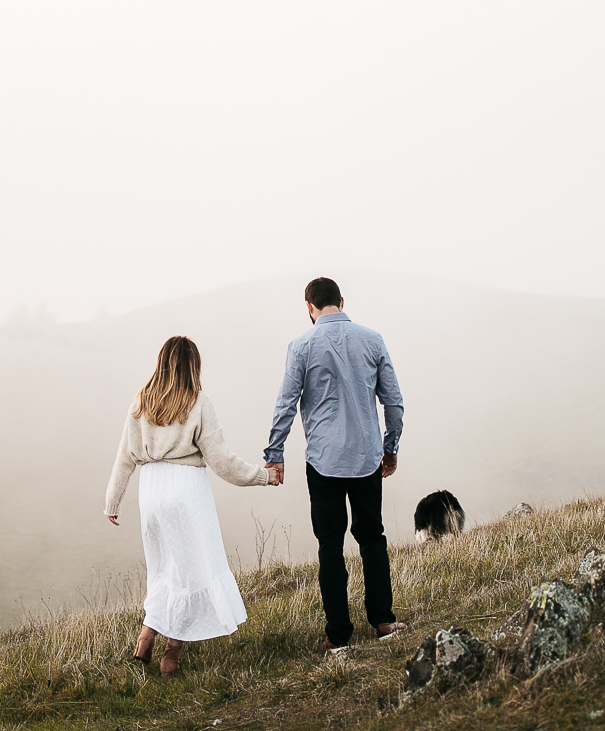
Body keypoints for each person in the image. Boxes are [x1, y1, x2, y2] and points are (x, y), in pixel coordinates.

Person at [105, 335, 279, 676]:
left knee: (160, 569)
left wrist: (112, 500)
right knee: (190, 572)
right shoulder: (198, 403)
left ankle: (144, 639)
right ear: (193, 366)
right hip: (185, 491)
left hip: (150, 491)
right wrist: (262, 476)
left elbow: (124, 456)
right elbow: (222, 462)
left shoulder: (141, 401)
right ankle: (172, 653)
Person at [264, 277, 407, 650]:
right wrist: (390, 448)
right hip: (366, 457)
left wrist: (274, 454)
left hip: (324, 461)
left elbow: (285, 405)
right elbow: (393, 402)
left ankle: (338, 634)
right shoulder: (372, 339)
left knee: (330, 545)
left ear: (309, 307)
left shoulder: (300, 346)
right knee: (372, 537)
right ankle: (383, 620)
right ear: (341, 301)